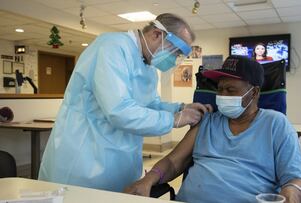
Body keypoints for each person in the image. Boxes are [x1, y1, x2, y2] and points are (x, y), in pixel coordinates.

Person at [38, 13, 212, 192]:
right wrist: (173, 120)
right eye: (175, 52)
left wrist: (181, 108)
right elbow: (119, 111)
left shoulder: (148, 66)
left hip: (120, 157)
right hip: (86, 154)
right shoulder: (112, 47)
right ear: (156, 35)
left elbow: (150, 103)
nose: (174, 59)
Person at [124, 55, 301, 202]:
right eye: (220, 89)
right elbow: (173, 162)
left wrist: (291, 194)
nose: (222, 95)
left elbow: (296, 178)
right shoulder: (208, 121)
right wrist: (148, 180)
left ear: (254, 92)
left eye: (231, 90)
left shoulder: (276, 124)